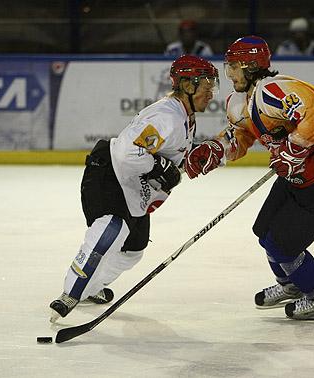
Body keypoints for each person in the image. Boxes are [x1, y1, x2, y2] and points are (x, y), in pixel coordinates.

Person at [183, 36, 314, 320]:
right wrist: (216, 150)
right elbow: (241, 136)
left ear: (252, 66)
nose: (230, 75)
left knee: (282, 245)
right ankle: (291, 284)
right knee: (264, 232)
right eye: (228, 68)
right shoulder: (240, 102)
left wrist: (293, 150)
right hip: (295, 180)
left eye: (235, 68)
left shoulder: (275, 90)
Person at [48, 55, 219, 321]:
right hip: (110, 175)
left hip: (132, 187)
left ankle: (91, 287)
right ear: (187, 85)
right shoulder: (167, 116)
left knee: (133, 250)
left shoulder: (184, 115)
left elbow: (166, 156)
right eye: (206, 85)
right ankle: (70, 293)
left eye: (212, 86)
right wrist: (159, 168)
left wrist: (190, 160)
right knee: (111, 230)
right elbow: (129, 152)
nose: (211, 93)